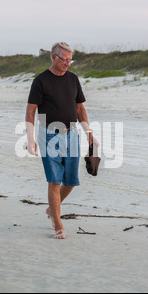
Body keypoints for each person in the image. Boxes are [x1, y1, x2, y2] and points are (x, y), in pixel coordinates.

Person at [26, 42, 94, 239]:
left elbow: (80, 108)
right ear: (53, 57)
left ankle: (51, 209)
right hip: (49, 134)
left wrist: (88, 130)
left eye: (69, 60)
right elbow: (30, 111)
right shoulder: (40, 81)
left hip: (72, 133)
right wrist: (30, 138)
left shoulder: (73, 79)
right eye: (64, 59)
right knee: (54, 181)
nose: (67, 63)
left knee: (71, 180)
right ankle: (58, 224)